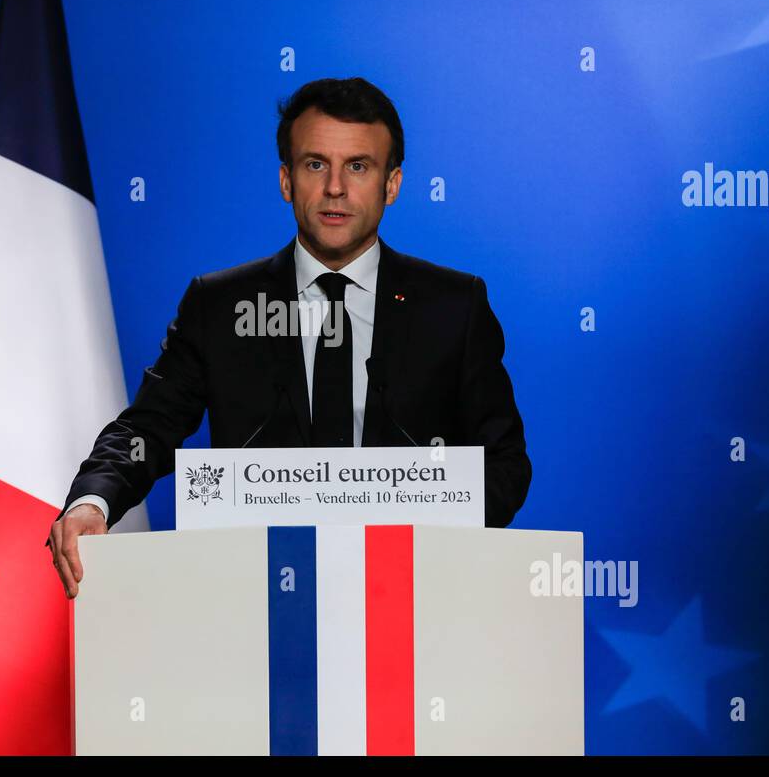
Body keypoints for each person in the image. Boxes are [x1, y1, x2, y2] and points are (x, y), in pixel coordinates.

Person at [49, 77, 531, 598]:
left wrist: (423, 523)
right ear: (286, 179)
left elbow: (504, 466)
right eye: (315, 164)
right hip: (256, 605)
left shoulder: (454, 306)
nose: (336, 189)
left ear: (392, 184)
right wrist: (92, 503)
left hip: (413, 601)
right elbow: (147, 429)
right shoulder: (220, 305)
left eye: (359, 167)